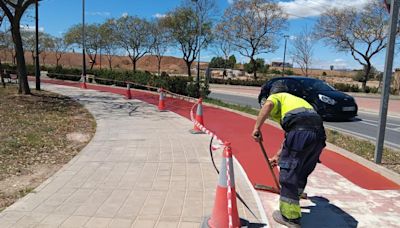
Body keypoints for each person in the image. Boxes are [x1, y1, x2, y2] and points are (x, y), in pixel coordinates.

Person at [252, 80, 326, 228]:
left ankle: (289, 217)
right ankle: (294, 196)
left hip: (301, 132)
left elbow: (268, 105)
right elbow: (290, 137)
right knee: (302, 169)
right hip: (319, 136)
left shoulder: (277, 96)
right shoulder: (298, 101)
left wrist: (256, 128)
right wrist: (278, 156)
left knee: (289, 172)